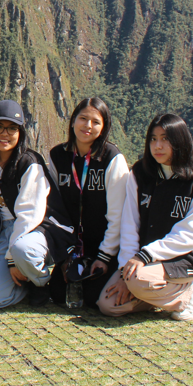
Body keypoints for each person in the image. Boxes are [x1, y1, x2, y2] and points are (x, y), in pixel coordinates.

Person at [98, 114, 193, 321]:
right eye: (153, 139)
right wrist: (124, 271)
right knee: (108, 305)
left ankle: (190, 293)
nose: (157, 146)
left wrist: (146, 256)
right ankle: (156, 294)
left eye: (165, 139)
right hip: (144, 258)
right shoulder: (140, 174)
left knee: (138, 280)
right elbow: (130, 224)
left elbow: (190, 234)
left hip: (183, 256)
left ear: (179, 141)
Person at [43, 98, 128, 307]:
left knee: (93, 298)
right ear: (73, 120)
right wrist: (64, 256)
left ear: (104, 127)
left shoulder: (112, 159)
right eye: (83, 118)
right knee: (58, 294)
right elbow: (53, 209)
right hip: (72, 246)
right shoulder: (58, 156)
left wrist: (105, 256)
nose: (88, 126)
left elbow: (118, 216)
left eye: (95, 122)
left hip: (104, 246)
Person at [0, 100, 53, 309]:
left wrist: (12, 259)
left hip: (34, 230)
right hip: (3, 231)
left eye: (12, 128)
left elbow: (29, 216)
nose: (5, 134)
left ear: (20, 133)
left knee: (21, 250)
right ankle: (24, 283)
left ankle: (42, 282)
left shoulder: (29, 163)